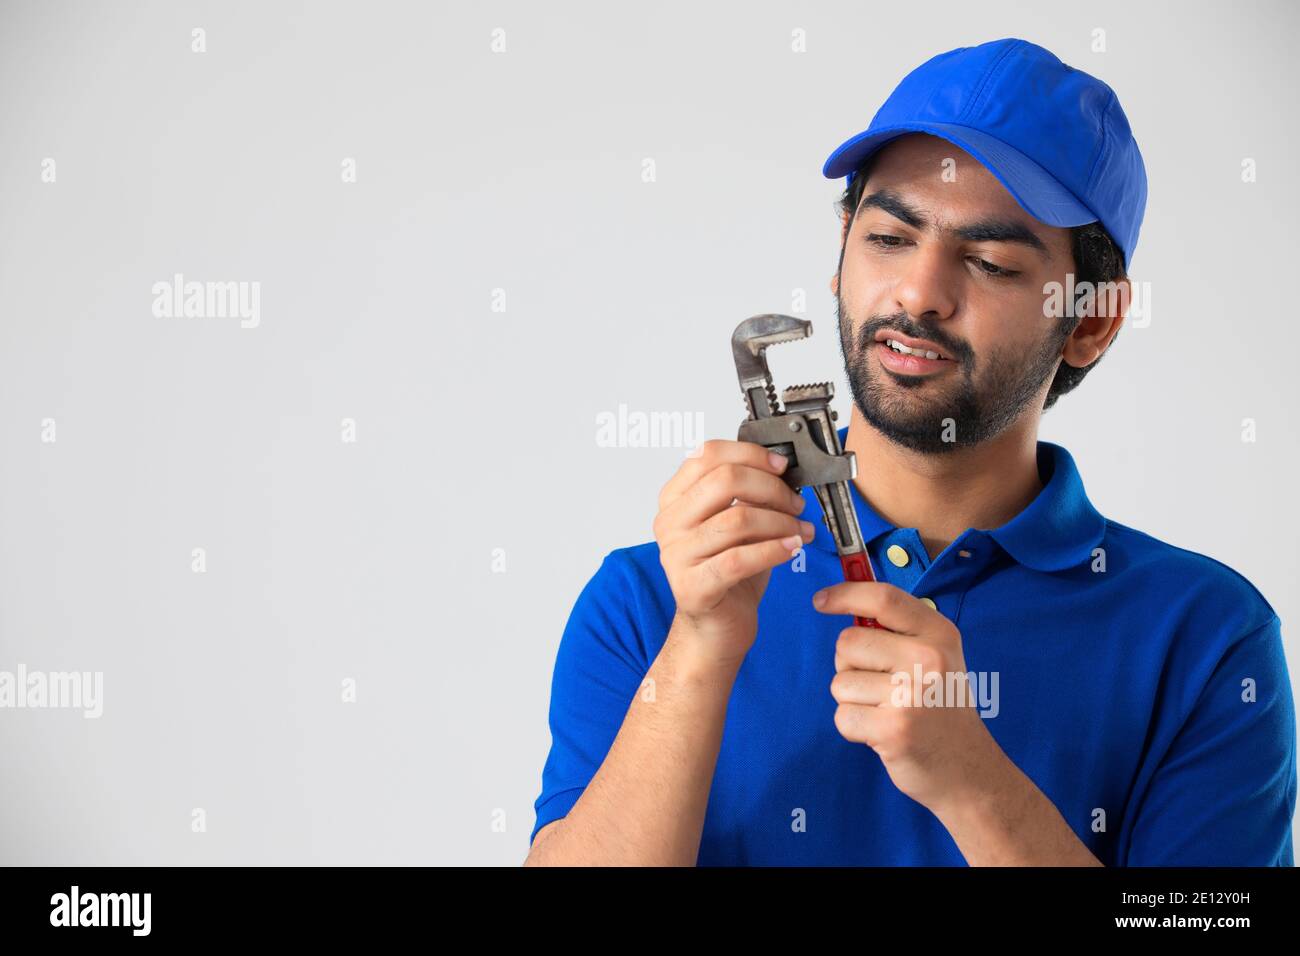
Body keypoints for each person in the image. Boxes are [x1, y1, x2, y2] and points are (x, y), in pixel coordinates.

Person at [524, 37, 1296, 866]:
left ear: (1094, 319)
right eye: (890, 239)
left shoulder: (1208, 639)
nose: (920, 293)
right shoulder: (653, 599)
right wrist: (699, 649)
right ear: (840, 258)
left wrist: (972, 783)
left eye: (991, 262)